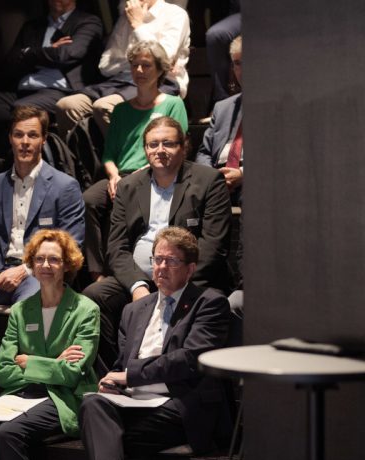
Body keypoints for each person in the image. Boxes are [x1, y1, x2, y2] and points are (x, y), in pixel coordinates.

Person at [79, 227, 232, 460]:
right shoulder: (133, 309)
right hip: (135, 403)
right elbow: (121, 363)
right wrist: (112, 382)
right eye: (157, 259)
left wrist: (129, 375)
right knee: (93, 403)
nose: (161, 267)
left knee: (109, 442)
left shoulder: (209, 303)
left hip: (181, 404)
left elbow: (189, 359)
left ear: (190, 268)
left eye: (171, 261)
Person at [83, 116, 231, 371]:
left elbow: (213, 244)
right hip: (140, 278)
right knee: (93, 298)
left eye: (168, 144)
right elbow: (116, 247)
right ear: (145, 149)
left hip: (187, 280)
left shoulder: (208, 181)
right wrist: (137, 285)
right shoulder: (129, 186)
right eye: (152, 145)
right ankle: (115, 376)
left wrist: (173, 282)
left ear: (183, 147)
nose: (159, 151)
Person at [0, 229, 99, 460]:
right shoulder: (20, 310)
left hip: (61, 398)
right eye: (39, 259)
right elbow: (2, 371)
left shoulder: (86, 309)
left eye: (54, 260)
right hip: (20, 395)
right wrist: (52, 366)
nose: (45, 266)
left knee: (9, 432)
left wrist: (29, 362)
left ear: (67, 264)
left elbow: (73, 374)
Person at [0, 106, 85, 306]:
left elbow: (71, 246)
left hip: (38, 276)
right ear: (10, 138)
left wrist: (25, 270)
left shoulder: (65, 186)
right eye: (19, 135)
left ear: (43, 139)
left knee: (30, 304)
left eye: (32, 135)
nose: (25, 142)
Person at [83, 40, 188, 281]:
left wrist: (134, 176)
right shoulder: (121, 110)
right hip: (121, 174)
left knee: (127, 195)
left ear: (160, 69)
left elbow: (177, 148)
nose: (139, 71)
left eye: (146, 65)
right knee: (89, 199)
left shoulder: (173, 103)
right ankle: (97, 271)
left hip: (155, 172)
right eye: (135, 65)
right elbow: (109, 154)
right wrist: (113, 175)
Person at [0, 0, 103, 157]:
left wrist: (28, 53)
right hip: (23, 91)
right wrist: (48, 51)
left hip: (58, 92)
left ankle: (14, 168)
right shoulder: (32, 26)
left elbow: (67, 54)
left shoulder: (87, 22)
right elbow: (10, 61)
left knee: (22, 109)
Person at [55, 0, 190, 138]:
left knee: (104, 106)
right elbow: (105, 65)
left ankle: (127, 157)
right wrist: (136, 62)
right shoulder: (126, 17)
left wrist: (138, 25)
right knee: (67, 105)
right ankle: (89, 157)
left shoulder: (175, 14)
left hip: (158, 82)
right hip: (120, 81)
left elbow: (161, 60)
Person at [196, 36, 243, 206]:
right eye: (237, 63)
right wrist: (213, 177)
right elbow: (204, 153)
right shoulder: (222, 107)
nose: (243, 69)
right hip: (218, 179)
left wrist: (243, 174)